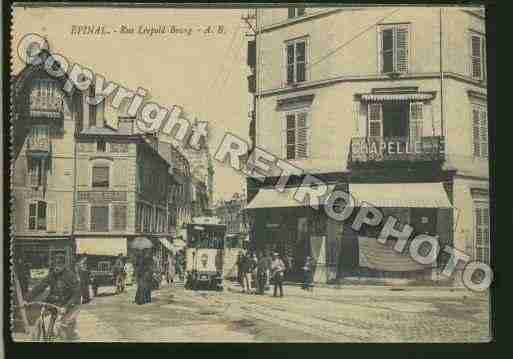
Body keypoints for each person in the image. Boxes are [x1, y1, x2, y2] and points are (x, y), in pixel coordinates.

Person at [26, 261, 82, 340]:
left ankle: (71, 338)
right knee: (41, 321)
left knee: (62, 326)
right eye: (55, 265)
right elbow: (41, 286)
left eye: (59, 265)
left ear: (63, 265)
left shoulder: (70, 276)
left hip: (71, 305)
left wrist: (66, 306)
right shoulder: (52, 275)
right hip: (55, 304)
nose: (56, 268)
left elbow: (76, 294)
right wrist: (27, 299)